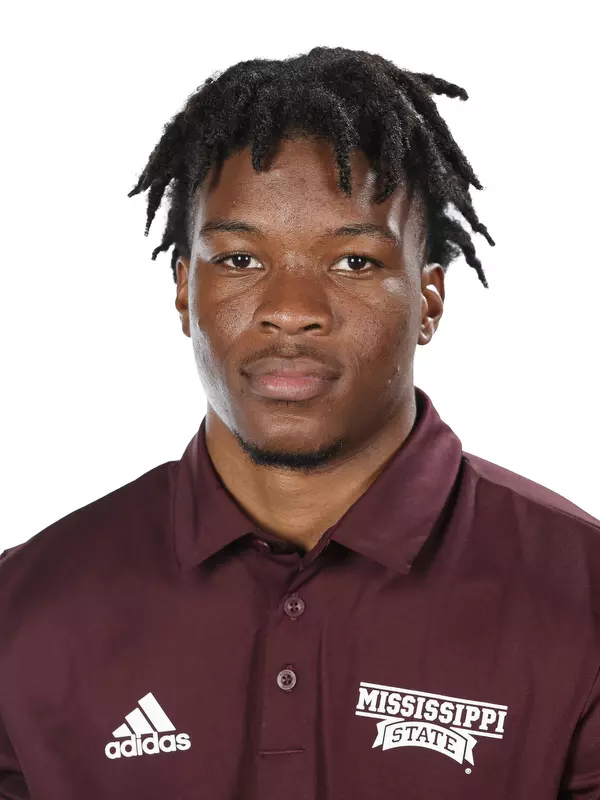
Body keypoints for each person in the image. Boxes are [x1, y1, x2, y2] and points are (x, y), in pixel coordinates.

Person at [0, 46, 598, 800]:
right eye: (241, 260)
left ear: (431, 300)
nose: (292, 310)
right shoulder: (25, 610)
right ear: (184, 290)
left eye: (353, 263)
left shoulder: (581, 598)